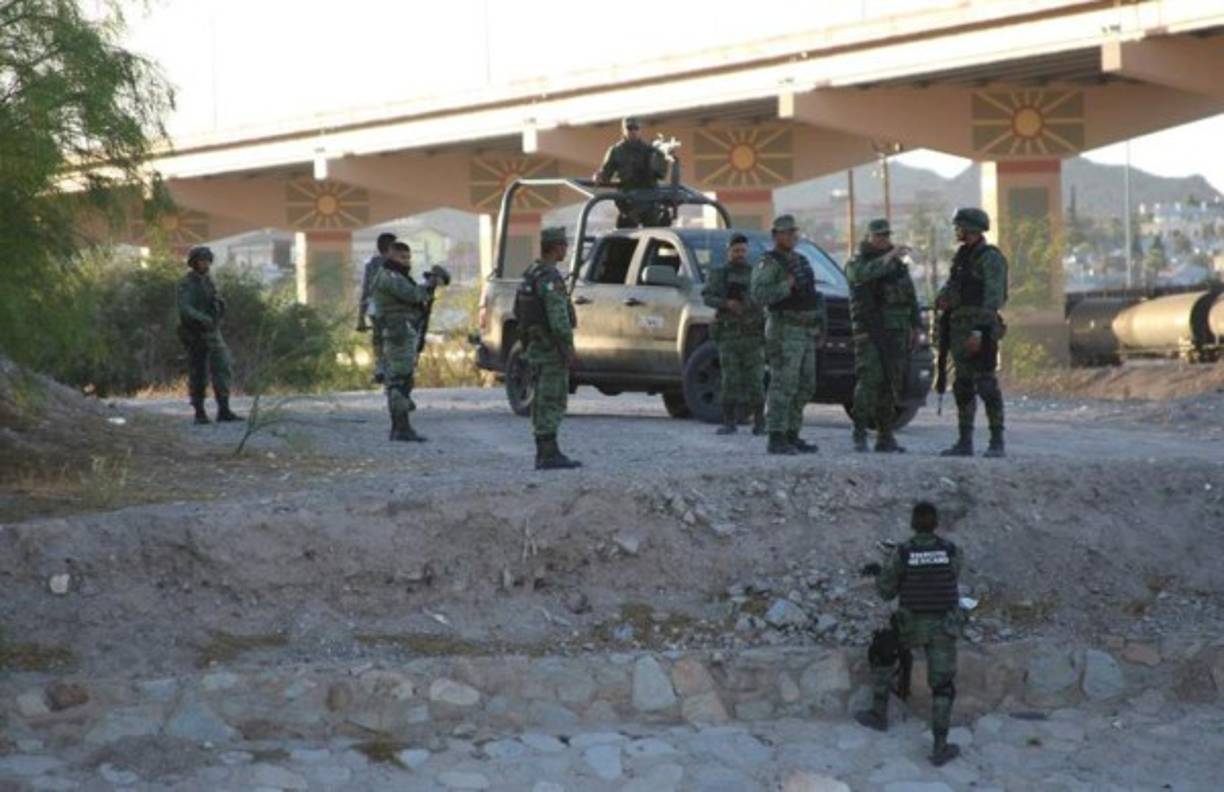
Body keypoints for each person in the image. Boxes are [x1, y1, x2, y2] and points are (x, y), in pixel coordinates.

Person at [857, 501, 963, 767]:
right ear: (936, 523)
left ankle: (878, 714)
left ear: (913, 524)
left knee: (881, 651)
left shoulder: (903, 552)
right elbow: (951, 577)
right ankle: (940, 746)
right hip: (943, 627)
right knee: (943, 686)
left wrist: (882, 570)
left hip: (911, 626)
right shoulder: (951, 550)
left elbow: (886, 592)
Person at [750, 215, 825, 455]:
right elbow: (759, 295)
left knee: (805, 384)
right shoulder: (769, 263)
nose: (792, 235)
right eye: (786, 232)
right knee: (783, 384)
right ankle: (776, 435)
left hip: (805, 330)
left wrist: (819, 326)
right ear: (775, 236)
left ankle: (792, 433)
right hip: (784, 330)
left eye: (794, 231)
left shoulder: (802, 260)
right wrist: (785, 286)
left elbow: (813, 295)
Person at [936, 208, 1008, 458]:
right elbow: (952, 288)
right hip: (959, 329)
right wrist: (944, 299)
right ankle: (964, 441)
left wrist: (979, 331)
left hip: (980, 329)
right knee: (963, 386)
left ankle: (996, 440)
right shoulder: (963, 257)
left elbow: (993, 298)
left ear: (971, 229)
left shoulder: (990, 258)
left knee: (986, 384)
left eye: (960, 227)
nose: (957, 231)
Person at [845, 218, 921, 453]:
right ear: (869, 238)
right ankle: (859, 432)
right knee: (869, 381)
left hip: (897, 331)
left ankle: (885, 436)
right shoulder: (858, 262)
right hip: (870, 331)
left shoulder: (897, 266)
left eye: (886, 236)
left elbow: (910, 297)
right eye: (878, 236)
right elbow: (862, 276)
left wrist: (915, 326)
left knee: (891, 382)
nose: (884, 240)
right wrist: (889, 257)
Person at [515, 226, 581, 470]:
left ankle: (546, 451)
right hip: (549, 347)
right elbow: (558, 319)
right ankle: (547, 454)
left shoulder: (531, 273)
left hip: (534, 343)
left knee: (542, 396)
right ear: (556, 248)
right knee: (552, 398)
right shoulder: (550, 278)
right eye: (564, 245)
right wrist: (567, 347)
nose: (566, 249)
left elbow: (518, 311)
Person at [701, 233, 765, 435]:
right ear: (729, 251)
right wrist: (726, 303)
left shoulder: (755, 273)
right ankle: (730, 422)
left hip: (752, 336)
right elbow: (707, 297)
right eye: (736, 251)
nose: (740, 254)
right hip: (729, 335)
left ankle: (760, 423)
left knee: (756, 380)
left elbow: (764, 298)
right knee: (730, 380)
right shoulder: (719, 274)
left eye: (743, 251)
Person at [371, 241, 432, 442]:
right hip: (397, 333)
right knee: (399, 380)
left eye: (408, 258)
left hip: (401, 330)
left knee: (403, 380)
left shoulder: (395, 275)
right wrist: (430, 284)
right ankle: (400, 428)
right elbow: (413, 295)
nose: (406, 262)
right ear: (390, 256)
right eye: (401, 258)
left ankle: (401, 426)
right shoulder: (390, 276)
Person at [176, 245, 242, 425]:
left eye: (207, 260)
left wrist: (220, 306)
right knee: (199, 373)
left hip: (213, 332)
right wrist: (202, 318)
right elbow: (185, 308)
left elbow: (216, 301)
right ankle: (199, 411)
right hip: (196, 334)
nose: (204, 264)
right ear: (193, 262)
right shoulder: (187, 283)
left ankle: (224, 409)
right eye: (201, 260)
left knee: (223, 368)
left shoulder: (208, 281)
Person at [593, 116, 668, 228]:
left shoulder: (650, 150)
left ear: (640, 130)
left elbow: (661, 174)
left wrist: (662, 155)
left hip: (649, 198)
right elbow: (606, 174)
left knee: (655, 234)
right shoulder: (616, 150)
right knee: (626, 237)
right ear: (623, 130)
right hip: (628, 201)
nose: (633, 131)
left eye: (636, 128)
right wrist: (599, 176)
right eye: (629, 128)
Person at [358, 231, 397, 384]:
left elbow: (366, 291)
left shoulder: (371, 265)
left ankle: (380, 365)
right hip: (394, 308)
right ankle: (393, 366)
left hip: (375, 308)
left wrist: (360, 317)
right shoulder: (399, 263)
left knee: (378, 336)